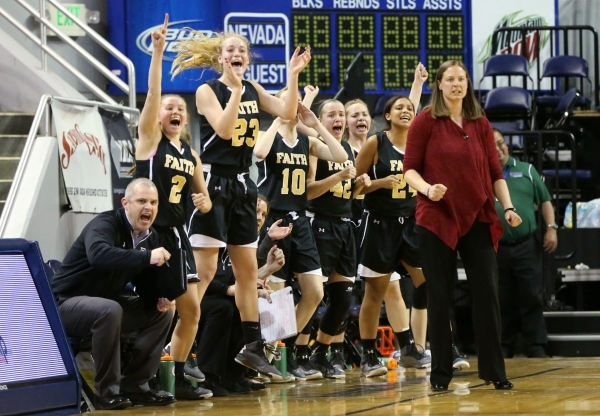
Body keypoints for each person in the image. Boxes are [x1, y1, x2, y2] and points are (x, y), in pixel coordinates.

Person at [171, 29, 311, 380]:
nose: (237, 54)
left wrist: (292, 76)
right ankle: (178, 345)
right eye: (230, 50)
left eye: (242, 50)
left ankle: (252, 346)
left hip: (242, 185)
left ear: (247, 59)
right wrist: (234, 91)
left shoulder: (254, 89)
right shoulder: (209, 91)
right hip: (214, 182)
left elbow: (288, 112)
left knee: (248, 270)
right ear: (221, 58)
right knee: (203, 273)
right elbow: (225, 130)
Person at [403, 60, 522, 391]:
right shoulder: (425, 120)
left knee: (487, 293)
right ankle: (441, 373)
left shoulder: (481, 123)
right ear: (438, 84)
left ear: (467, 84)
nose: (456, 84)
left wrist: (508, 207)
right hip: (436, 217)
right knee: (440, 296)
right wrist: (428, 189)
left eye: (462, 79)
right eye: (450, 79)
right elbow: (409, 169)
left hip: (479, 214)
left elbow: (496, 173)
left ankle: (495, 371)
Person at [135, 14, 213, 400]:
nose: (173, 111)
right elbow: (151, 96)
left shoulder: (192, 153)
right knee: (159, 310)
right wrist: (160, 52)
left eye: (179, 106)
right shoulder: (150, 141)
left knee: (192, 311)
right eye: (168, 106)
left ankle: (179, 375)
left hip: (179, 234)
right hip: (150, 236)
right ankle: (144, 379)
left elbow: (205, 196)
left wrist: (204, 199)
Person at [51, 178, 177, 410]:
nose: (148, 207)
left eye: (153, 202)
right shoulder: (105, 223)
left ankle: (137, 386)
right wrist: (147, 257)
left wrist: (159, 297)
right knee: (109, 309)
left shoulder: (150, 237)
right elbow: (98, 254)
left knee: (163, 313)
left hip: (105, 305)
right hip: (64, 304)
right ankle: (107, 392)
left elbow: (144, 280)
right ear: (125, 203)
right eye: (141, 201)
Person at [254, 88, 348, 380]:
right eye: (286, 99)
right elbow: (258, 152)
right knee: (278, 297)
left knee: (315, 292)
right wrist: (278, 120)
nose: (293, 103)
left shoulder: (307, 139)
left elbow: (341, 155)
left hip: (301, 222)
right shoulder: (270, 134)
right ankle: (267, 354)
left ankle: (277, 346)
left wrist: (316, 124)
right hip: (274, 221)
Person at [354, 90, 432, 378]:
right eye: (399, 107)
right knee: (375, 292)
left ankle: (416, 347)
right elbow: (354, 190)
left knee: (429, 282)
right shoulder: (376, 143)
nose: (405, 111)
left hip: (412, 223)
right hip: (380, 224)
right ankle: (368, 354)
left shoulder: (421, 145)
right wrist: (378, 183)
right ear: (387, 116)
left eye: (410, 107)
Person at [195, 195, 291, 395]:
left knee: (249, 304)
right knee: (227, 307)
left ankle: (235, 375)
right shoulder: (219, 235)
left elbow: (243, 278)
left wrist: (267, 271)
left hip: (222, 296)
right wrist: (227, 290)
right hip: (199, 296)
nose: (258, 218)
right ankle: (209, 376)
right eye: (255, 211)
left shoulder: (245, 242)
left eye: (263, 214)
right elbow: (203, 275)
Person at [305, 98, 371, 378]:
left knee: (343, 299)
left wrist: (360, 186)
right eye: (331, 114)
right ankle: (298, 355)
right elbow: (308, 191)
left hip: (345, 228)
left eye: (341, 114)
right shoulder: (315, 145)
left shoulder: (347, 150)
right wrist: (340, 176)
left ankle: (321, 351)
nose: (339, 118)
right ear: (320, 119)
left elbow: (347, 194)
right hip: (320, 225)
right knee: (311, 296)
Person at [494, 128, 557, 358]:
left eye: (501, 143)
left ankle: (535, 344)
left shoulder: (527, 170)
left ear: (507, 146)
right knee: (501, 297)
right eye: (492, 145)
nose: (498, 148)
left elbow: (546, 200)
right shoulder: (483, 175)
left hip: (526, 245)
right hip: (496, 248)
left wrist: (551, 228)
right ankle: (504, 344)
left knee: (531, 294)